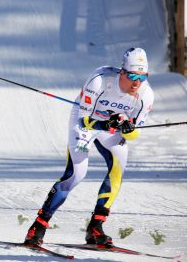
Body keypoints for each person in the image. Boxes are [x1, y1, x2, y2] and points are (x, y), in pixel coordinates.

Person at [24, 47, 154, 246]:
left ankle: (95, 227)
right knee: (77, 173)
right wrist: (105, 124)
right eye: (132, 75)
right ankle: (38, 226)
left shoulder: (146, 96)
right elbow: (85, 121)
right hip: (86, 122)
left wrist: (128, 129)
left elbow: (135, 134)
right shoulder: (100, 80)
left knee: (118, 168)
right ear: (122, 72)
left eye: (143, 76)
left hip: (111, 127)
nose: (137, 82)